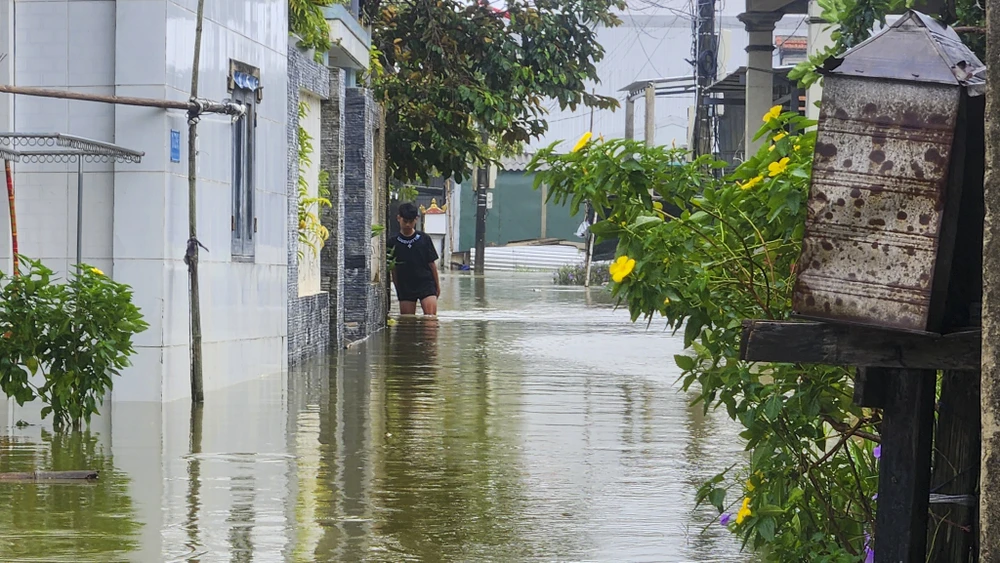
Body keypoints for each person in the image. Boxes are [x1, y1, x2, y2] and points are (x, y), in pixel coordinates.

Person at [390, 202, 441, 315]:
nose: (408, 225)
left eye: (411, 221)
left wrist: (437, 286)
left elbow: (432, 265)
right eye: (405, 221)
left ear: (416, 219)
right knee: (407, 323)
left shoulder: (424, 239)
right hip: (406, 286)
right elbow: (393, 269)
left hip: (426, 284)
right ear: (399, 218)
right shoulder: (392, 242)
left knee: (430, 321)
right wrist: (398, 288)